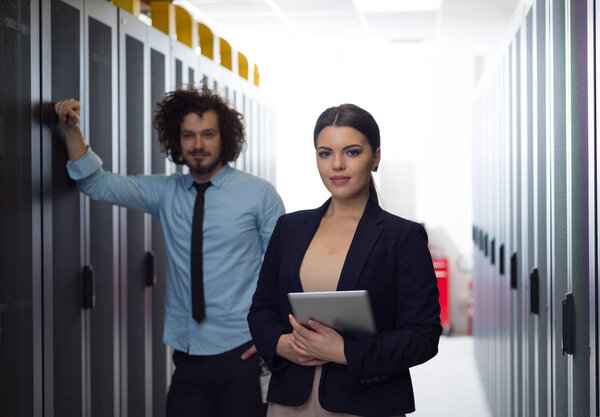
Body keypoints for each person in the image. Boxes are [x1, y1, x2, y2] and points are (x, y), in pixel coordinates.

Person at [55, 85, 285, 417]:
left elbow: (286, 268)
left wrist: (273, 336)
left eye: (208, 134)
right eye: (188, 135)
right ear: (177, 141)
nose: (199, 144)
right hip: (188, 357)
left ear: (225, 138)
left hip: (243, 354)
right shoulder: (166, 192)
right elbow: (96, 183)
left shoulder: (258, 195)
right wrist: (72, 129)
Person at [247, 104, 441, 417]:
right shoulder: (290, 229)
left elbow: (423, 335)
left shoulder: (402, 236)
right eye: (325, 153)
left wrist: (344, 352)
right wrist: (282, 345)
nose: (337, 164)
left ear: (375, 158)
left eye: (351, 152)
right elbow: (262, 309)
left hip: (366, 402)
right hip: (290, 401)